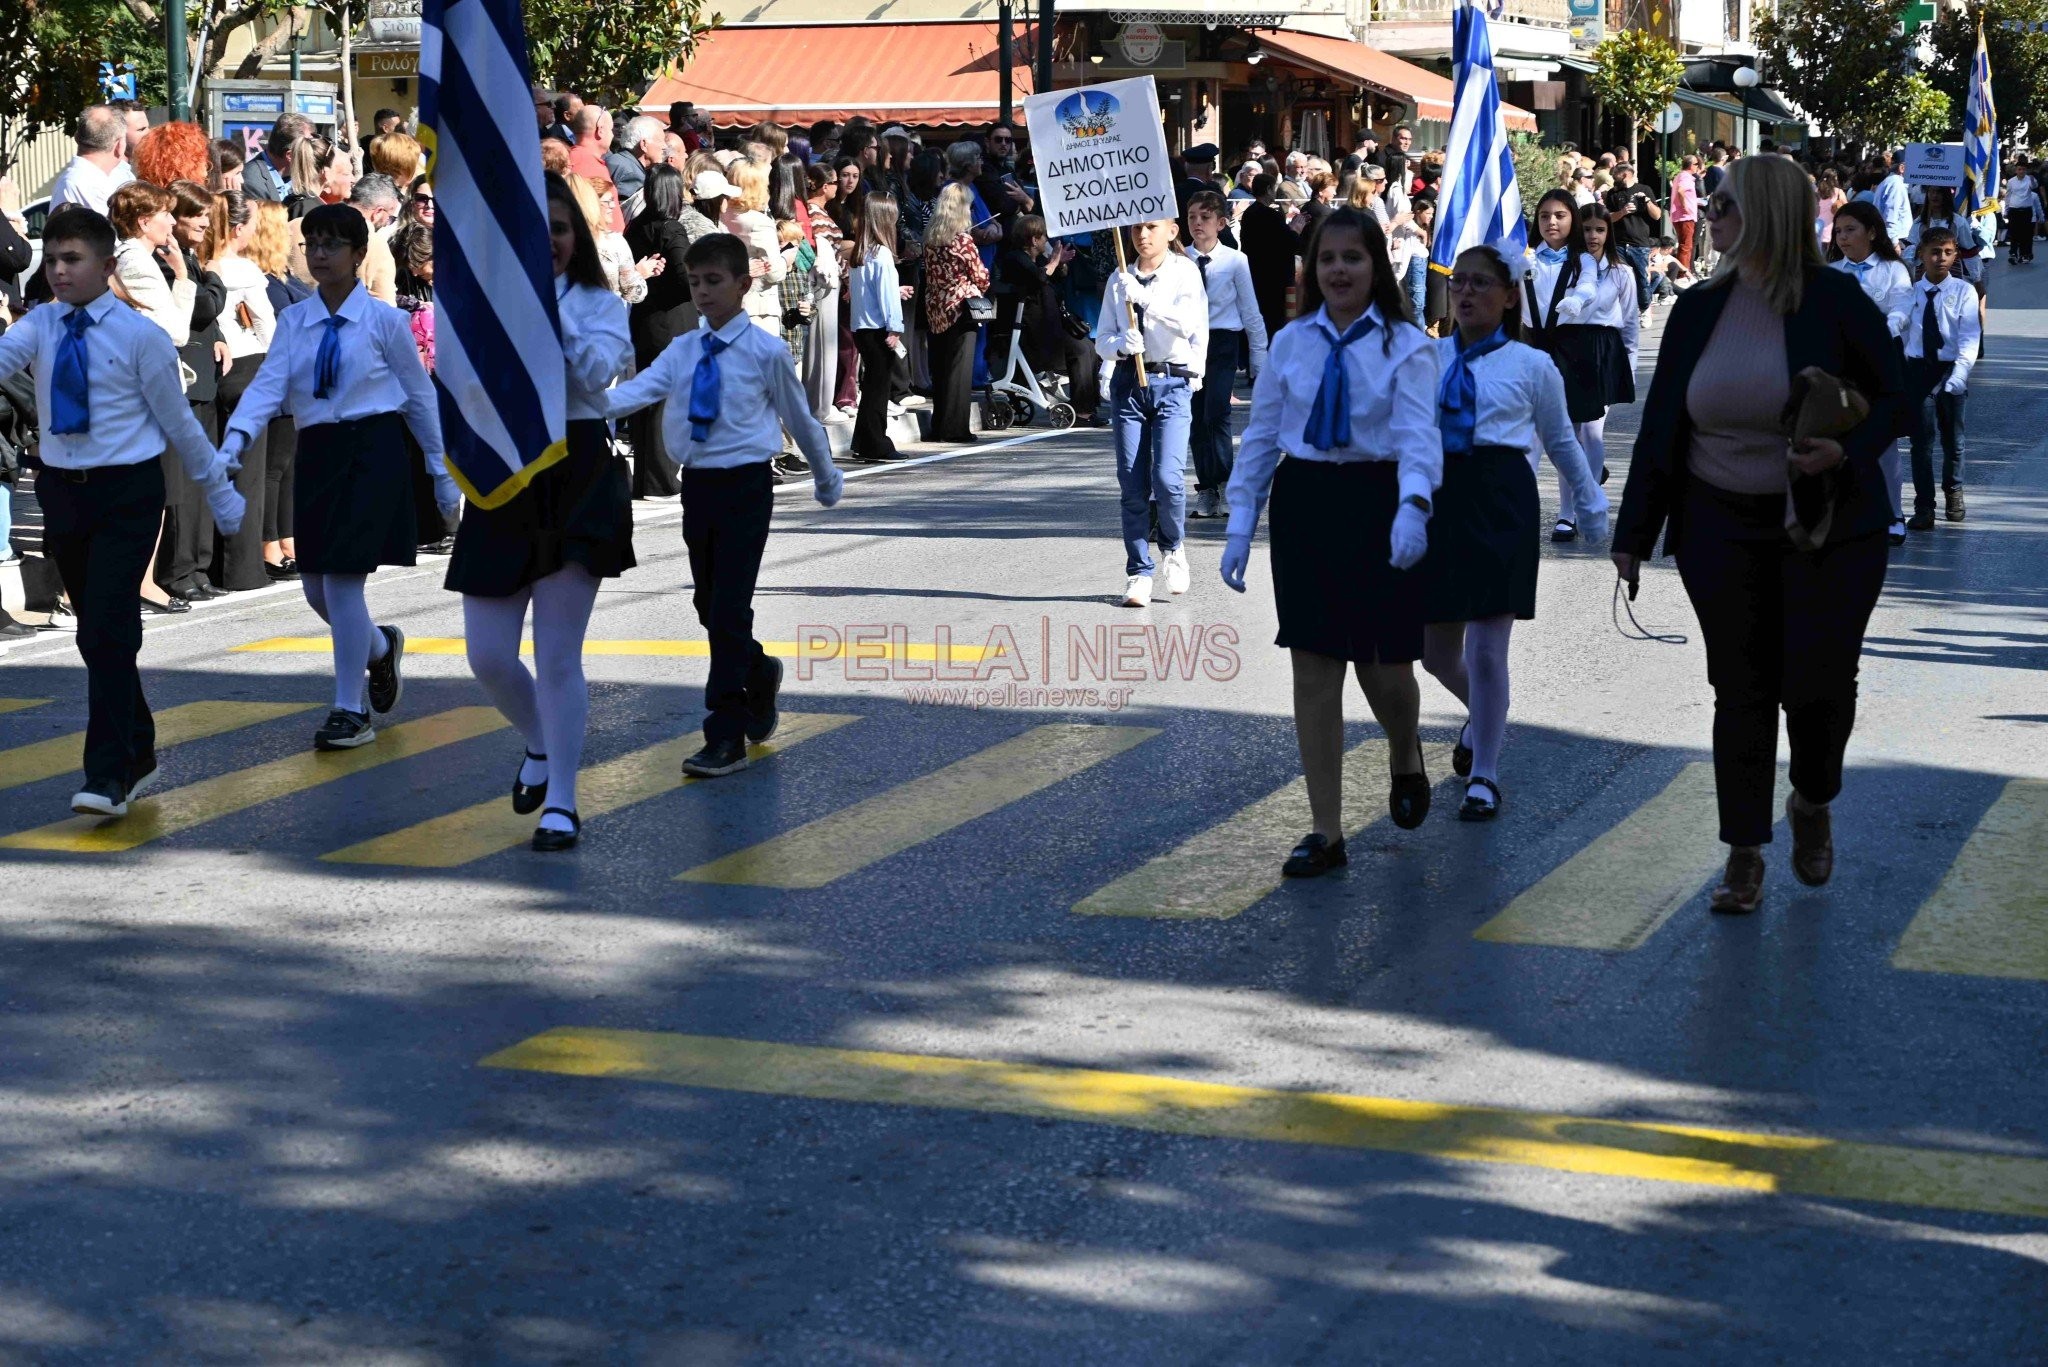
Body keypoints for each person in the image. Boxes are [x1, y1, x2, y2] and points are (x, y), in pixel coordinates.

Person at [1613, 155, 1904, 915]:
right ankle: (1744, 850)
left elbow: (1900, 394)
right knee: (1739, 689)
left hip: (1827, 527)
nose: (1709, 216)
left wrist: (1848, 449)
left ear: (1767, 213)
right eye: (1710, 205)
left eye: (1724, 205)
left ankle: (1811, 798)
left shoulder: (1835, 301)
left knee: (1816, 687)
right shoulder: (1698, 308)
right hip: (1720, 524)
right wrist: (1633, 533)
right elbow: (1663, 425)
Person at [1218, 207, 1441, 876]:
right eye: (1326, 259)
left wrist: (1413, 507)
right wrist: (1238, 520)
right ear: (1311, 270)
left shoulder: (1408, 345)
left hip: (1380, 498)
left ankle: (1405, 749)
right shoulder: (1291, 342)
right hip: (1307, 502)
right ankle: (1326, 830)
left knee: (1383, 665)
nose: (1338, 269)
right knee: (1314, 666)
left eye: (1352, 257)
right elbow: (1261, 437)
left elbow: (1419, 438)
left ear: (1377, 266)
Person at [0, 206, 243, 816]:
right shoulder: (40, 327)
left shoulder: (141, 337)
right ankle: (137, 746)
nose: (58, 271)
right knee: (97, 635)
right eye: (51, 260)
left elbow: (180, 424)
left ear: (107, 266)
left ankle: (107, 774)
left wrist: (220, 491)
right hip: (63, 491)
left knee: (108, 629)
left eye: (72, 260)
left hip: (127, 492)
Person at [599, 232, 846, 778]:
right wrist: (579, 403)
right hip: (700, 487)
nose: (703, 293)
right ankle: (757, 673)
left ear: (743, 284)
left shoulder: (766, 350)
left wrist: (826, 475)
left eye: (714, 282)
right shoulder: (684, 348)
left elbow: (800, 419)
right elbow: (637, 392)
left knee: (729, 607)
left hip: (747, 488)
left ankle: (724, 731)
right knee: (709, 606)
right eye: (695, 283)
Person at [218, 203, 457, 753]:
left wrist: (439, 469)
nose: (320, 255)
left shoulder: (385, 322)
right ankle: (379, 647)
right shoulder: (296, 320)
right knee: (316, 589)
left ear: (357, 255)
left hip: (372, 451)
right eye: (313, 245)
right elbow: (268, 386)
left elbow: (419, 399)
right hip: (320, 451)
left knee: (345, 583)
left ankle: (350, 709)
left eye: (332, 245)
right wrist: (237, 438)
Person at [447, 175, 634, 852]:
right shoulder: (485, 303)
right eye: (536, 230)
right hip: (502, 472)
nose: (549, 241)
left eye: (559, 228)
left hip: (575, 468)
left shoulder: (598, 304)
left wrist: (541, 321)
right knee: (488, 655)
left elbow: (595, 375)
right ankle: (538, 740)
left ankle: (563, 802)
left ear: (575, 237)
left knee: (557, 657)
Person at [1423, 244, 1607, 820]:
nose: (1468, 293)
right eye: (1460, 284)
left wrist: (1592, 502)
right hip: (1436, 500)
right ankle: (1484, 716)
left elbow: (1560, 442)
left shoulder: (1532, 365)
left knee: (1485, 648)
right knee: (1434, 654)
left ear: (1508, 297)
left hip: (1501, 500)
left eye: (1482, 284)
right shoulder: (1426, 359)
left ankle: (1486, 775)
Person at [1096, 216, 1206, 607]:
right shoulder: (1119, 277)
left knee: (1169, 477)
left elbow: (1189, 322)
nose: (1142, 235)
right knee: (1132, 482)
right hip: (1130, 383)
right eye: (1136, 229)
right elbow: (1103, 338)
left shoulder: (1184, 272)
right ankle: (1138, 571)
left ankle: (1173, 546)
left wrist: (1147, 302)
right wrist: (1120, 347)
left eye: (1152, 227)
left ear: (1172, 232)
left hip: (1172, 382)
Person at [624, 164, 723, 498]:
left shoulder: (635, 226)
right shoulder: (672, 229)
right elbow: (685, 277)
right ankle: (662, 480)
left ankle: (646, 478)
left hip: (644, 318)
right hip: (672, 321)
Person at [204, 189, 277, 593]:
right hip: (248, 367)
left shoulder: (201, 263)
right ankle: (243, 571)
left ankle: (211, 566)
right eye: (250, 224)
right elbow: (267, 326)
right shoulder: (243, 270)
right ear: (236, 228)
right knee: (246, 477)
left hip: (211, 372)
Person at [1519, 190, 1602, 542]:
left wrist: (1576, 300)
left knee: (1566, 436)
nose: (1551, 222)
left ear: (1573, 220)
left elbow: (1588, 288)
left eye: (1560, 215)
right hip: (1532, 347)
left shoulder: (1584, 260)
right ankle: (1519, 509)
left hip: (1571, 349)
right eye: (1544, 216)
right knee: (1530, 436)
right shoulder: (1524, 259)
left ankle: (1568, 513)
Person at [1827, 201, 1912, 545]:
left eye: (1851, 230)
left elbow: (1901, 309)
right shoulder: (1832, 272)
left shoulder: (1894, 270)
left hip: (1880, 367)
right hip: (1840, 370)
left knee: (1884, 445)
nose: (1843, 238)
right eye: (1838, 231)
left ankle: (1893, 514)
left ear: (1872, 232)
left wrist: (1875, 332)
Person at [1183, 192, 1268, 521]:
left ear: (1220, 223)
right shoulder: (1179, 260)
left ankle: (1226, 481)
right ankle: (1207, 488)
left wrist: (1260, 359)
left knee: (1216, 411)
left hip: (1221, 341)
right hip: (1188, 344)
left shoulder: (1235, 260)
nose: (1197, 223)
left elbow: (1250, 310)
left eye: (1204, 217)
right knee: (1194, 416)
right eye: (1191, 217)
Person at [1554, 204, 1637, 540]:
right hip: (1568, 348)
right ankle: (1566, 511)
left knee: (1592, 431)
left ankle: (1587, 502)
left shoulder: (1621, 272)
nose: (1592, 236)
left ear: (1608, 233)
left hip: (1604, 351)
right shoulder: (1565, 267)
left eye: (1599, 230)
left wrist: (1627, 366)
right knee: (1567, 433)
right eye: (1586, 229)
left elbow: (1629, 322)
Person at [1900, 227, 1978, 532]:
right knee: (1921, 443)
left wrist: (1960, 373)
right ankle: (1924, 506)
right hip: (1919, 371)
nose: (1941, 259)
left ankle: (1954, 491)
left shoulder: (1963, 291)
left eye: (1947, 252)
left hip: (1950, 368)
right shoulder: (1909, 293)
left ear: (1955, 254)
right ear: (1921, 255)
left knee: (1953, 440)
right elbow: (1902, 333)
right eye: (1934, 252)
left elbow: (1970, 336)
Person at [993, 215, 1099, 427]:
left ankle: (1086, 408)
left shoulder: (1038, 259)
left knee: (1088, 347)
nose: (1045, 242)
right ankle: (1082, 411)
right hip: (1031, 332)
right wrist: (1054, 262)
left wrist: (1061, 264)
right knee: (1080, 350)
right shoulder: (1016, 259)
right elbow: (1039, 277)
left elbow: (1054, 278)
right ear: (1034, 240)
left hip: (1049, 326)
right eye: (1043, 238)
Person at [922, 184, 988, 444]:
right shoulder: (963, 239)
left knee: (939, 369)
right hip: (961, 307)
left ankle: (939, 425)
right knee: (959, 370)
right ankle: (955, 427)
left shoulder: (930, 235)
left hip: (935, 306)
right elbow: (980, 276)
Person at [846, 192, 905, 463]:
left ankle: (864, 441)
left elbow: (869, 291)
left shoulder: (861, 252)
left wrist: (896, 289)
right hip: (879, 328)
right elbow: (885, 295)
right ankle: (876, 443)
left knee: (871, 386)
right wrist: (895, 327)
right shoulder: (881, 253)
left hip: (862, 327)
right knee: (878, 389)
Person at [724, 159, 787, 341]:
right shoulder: (759, 222)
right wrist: (787, 259)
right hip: (758, 308)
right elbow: (774, 272)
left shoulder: (721, 214)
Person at [1237, 173, 1300, 345]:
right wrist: (1295, 230)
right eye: (1274, 188)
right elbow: (1287, 244)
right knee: (1275, 321)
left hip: (1256, 274)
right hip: (1274, 278)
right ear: (1268, 190)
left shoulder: (1250, 213)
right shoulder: (1272, 216)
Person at [49, 107, 134, 216]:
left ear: (76, 137)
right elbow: (114, 231)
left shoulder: (78, 179)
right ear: (120, 146)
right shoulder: (87, 185)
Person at [1603, 162, 1660, 312]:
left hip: (1639, 243)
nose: (1612, 177)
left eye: (1614, 174)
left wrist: (1647, 201)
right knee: (1619, 278)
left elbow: (1657, 215)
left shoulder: (1644, 189)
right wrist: (1622, 212)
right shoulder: (1612, 194)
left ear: (1624, 175)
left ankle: (1645, 308)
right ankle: (1622, 311)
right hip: (1618, 243)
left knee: (1641, 279)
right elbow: (1607, 218)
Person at [242, 114, 311, 204]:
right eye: (308, 146)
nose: (313, 151)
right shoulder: (251, 182)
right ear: (290, 155)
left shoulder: (301, 177)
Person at [1872, 153, 1913, 254]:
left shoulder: (1889, 182)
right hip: (1897, 240)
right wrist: (1894, 243)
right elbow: (1890, 215)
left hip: (1891, 238)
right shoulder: (1896, 184)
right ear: (1902, 168)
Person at [2004, 157, 2038, 265]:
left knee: (2026, 234)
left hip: (2026, 210)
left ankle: (2024, 254)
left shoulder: (2030, 179)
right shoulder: (2011, 182)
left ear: (2026, 170)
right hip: (2014, 210)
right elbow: (2008, 196)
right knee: (2014, 233)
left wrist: (2032, 179)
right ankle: (2013, 254)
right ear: (2016, 170)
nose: (2021, 171)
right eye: (2019, 169)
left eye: (2023, 169)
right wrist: (2006, 210)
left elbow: (2034, 186)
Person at [1670, 154, 1700, 271]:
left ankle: (1682, 272)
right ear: (1691, 165)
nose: (1698, 166)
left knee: (1685, 245)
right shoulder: (1685, 177)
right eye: (1696, 164)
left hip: (1682, 215)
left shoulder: (1681, 176)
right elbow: (1680, 191)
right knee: (1686, 246)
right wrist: (1685, 206)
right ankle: (1682, 274)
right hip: (1684, 216)